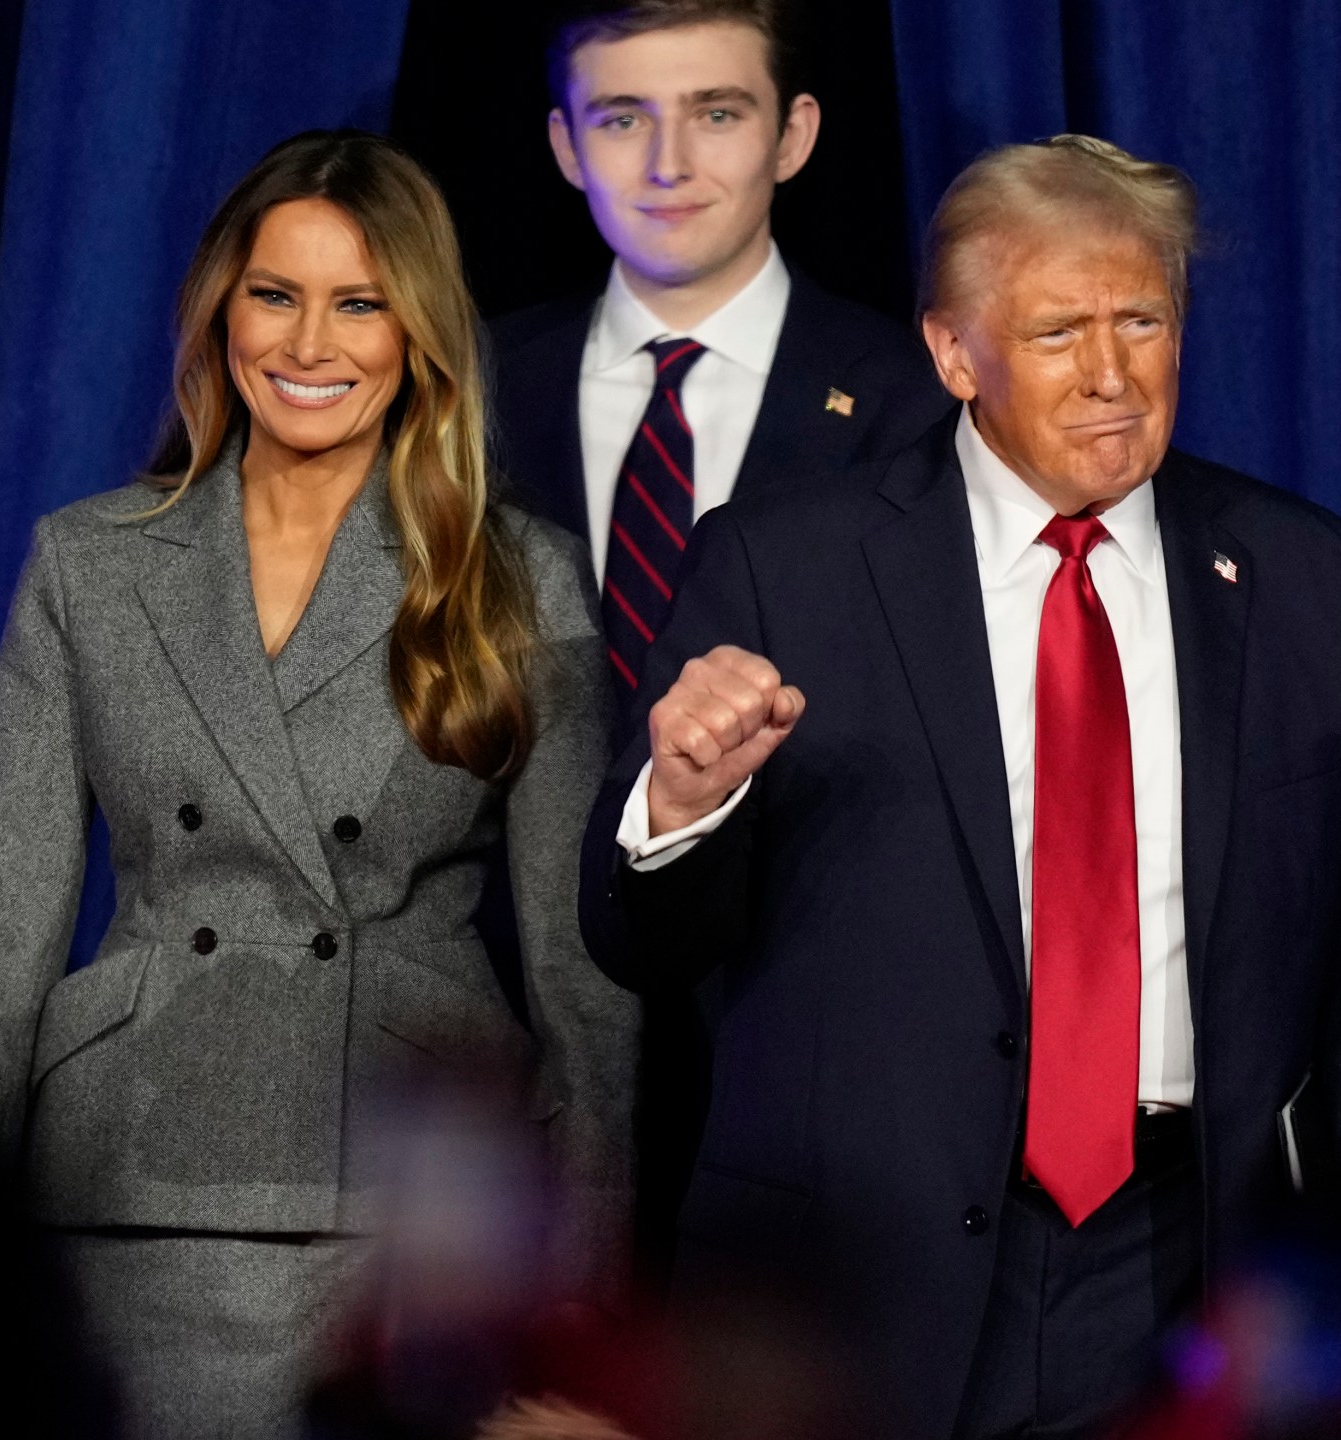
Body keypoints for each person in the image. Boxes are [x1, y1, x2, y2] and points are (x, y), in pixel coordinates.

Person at [577, 136, 1341, 1439]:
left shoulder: (1310, 586)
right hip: (856, 1288)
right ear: (955, 355)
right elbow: (639, 943)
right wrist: (681, 803)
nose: (1114, 375)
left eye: (1143, 321)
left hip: (1190, 1271)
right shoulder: (789, 570)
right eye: (1059, 332)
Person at [0, 130, 635, 1440]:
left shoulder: (516, 578)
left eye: (359, 302)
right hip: (128, 1181)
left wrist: (577, 1298)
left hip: (413, 1210)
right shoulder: (89, 562)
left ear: (417, 332)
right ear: (220, 309)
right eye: (276, 294)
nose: (310, 344)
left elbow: (583, 972)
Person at [487, 0, 951, 1284]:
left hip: (802, 1046)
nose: (669, 162)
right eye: (623, 118)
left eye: (718, 113)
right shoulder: (467, 389)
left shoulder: (919, 397)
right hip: (516, 1066)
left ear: (795, 136)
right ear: (565, 146)